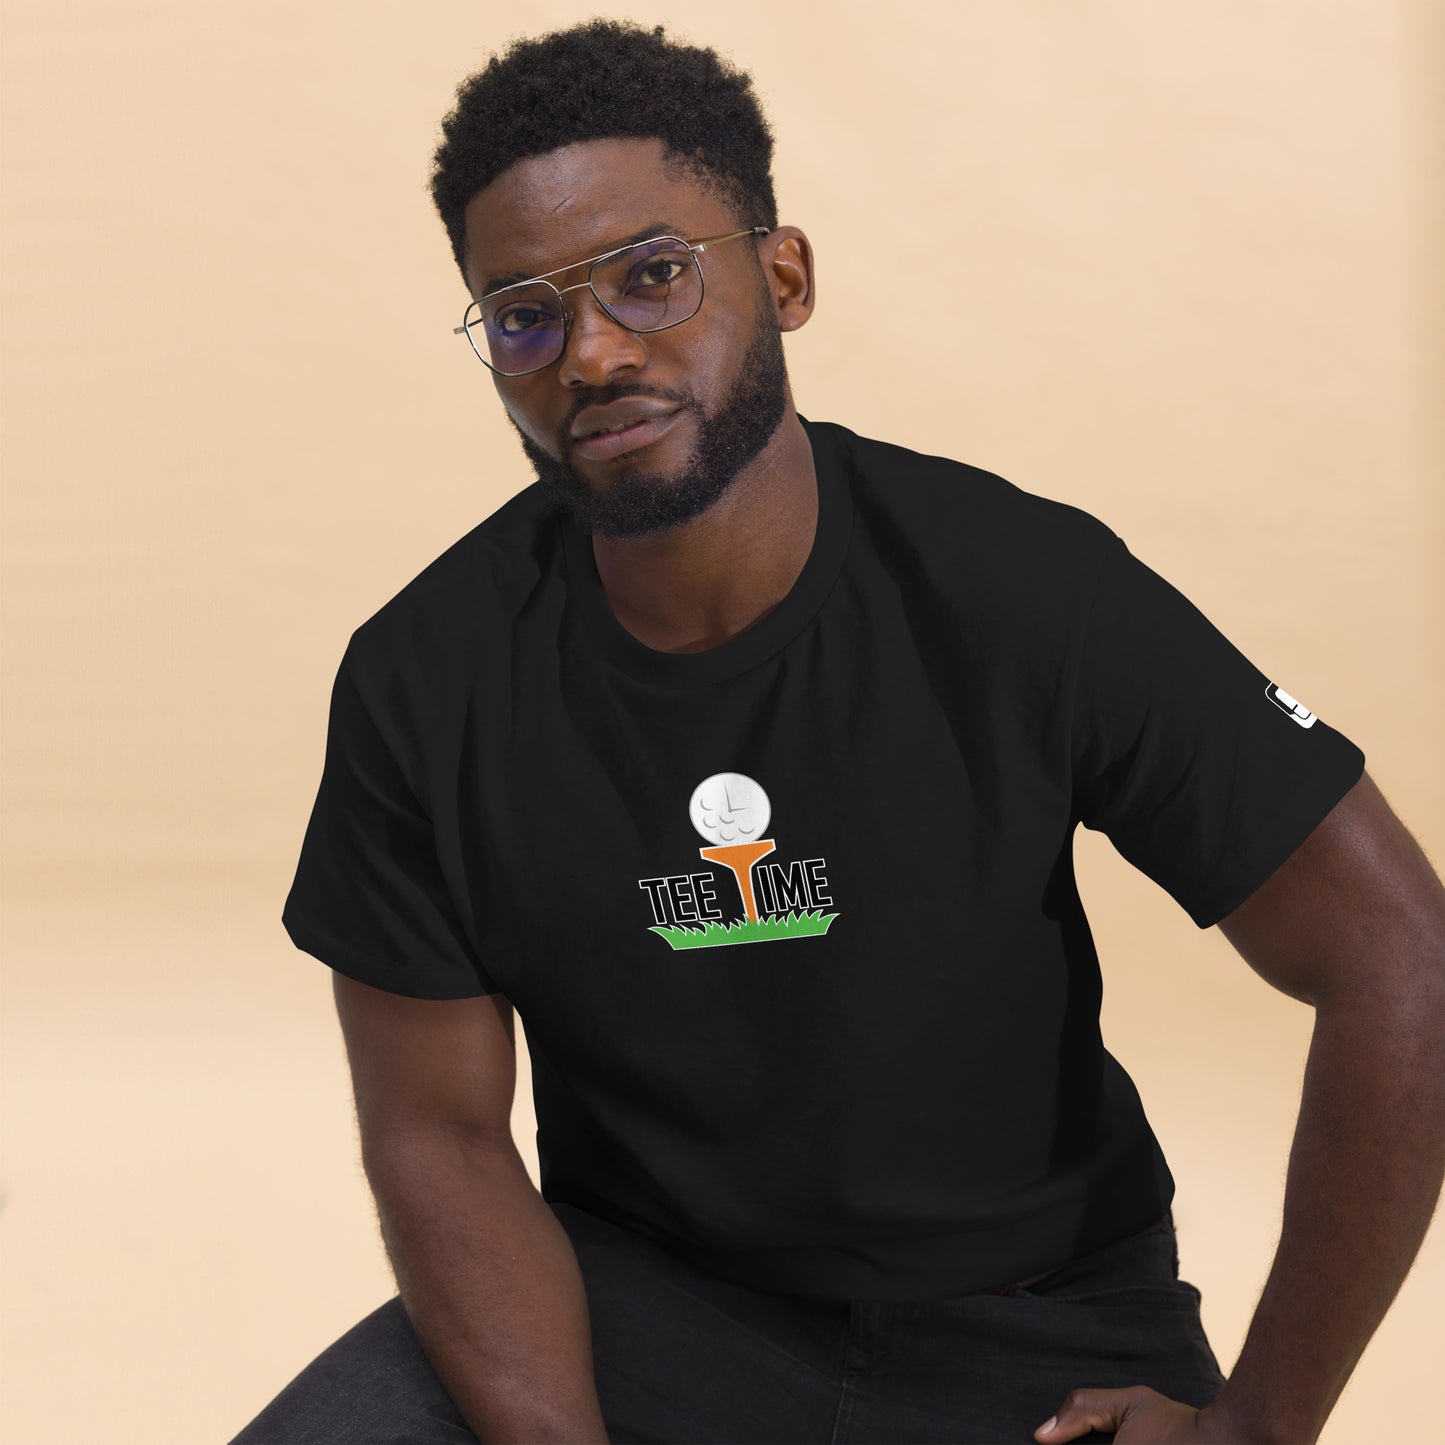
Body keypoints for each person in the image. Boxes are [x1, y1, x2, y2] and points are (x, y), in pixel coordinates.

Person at [230, 19, 1445, 1445]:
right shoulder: (422, 678)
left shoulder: (1016, 587)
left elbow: (1398, 958)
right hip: (640, 1309)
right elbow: (436, 1132)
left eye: (652, 274)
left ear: (783, 276)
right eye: (524, 315)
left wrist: (1258, 1424)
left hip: (1032, 1329)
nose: (594, 351)